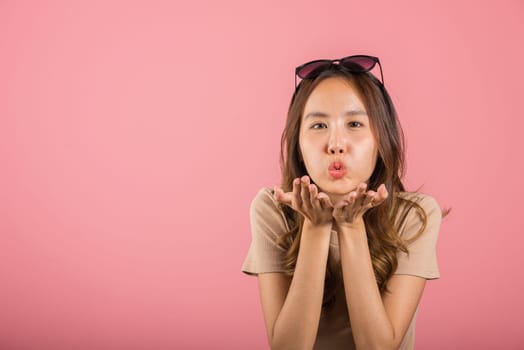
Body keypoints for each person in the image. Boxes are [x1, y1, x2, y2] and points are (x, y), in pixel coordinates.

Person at [241, 54, 447, 350]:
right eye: (318, 126)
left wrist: (351, 226)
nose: (336, 144)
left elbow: (378, 347)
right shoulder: (272, 209)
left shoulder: (414, 215)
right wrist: (316, 226)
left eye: (354, 123)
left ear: (382, 138)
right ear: (298, 144)